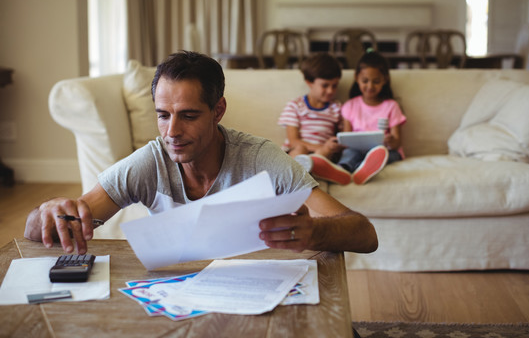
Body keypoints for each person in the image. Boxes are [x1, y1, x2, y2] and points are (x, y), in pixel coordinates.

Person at [24, 50, 378, 256]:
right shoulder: (150, 161)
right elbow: (49, 229)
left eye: (189, 116)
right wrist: (48, 211)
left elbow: (364, 233)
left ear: (218, 111)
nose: (172, 132)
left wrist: (314, 233)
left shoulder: (261, 159)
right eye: (163, 116)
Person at [277, 52, 350, 185]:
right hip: (298, 151)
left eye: (334, 86)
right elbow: (293, 141)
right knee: (300, 150)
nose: (330, 91)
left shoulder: (337, 107)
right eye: (325, 85)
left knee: (326, 151)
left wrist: (332, 146)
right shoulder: (295, 105)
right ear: (309, 82)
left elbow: (343, 138)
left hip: (323, 154)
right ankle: (307, 172)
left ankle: (312, 172)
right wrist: (318, 147)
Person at [336, 49, 407, 184]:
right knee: (350, 153)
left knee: (386, 154)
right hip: (357, 150)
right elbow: (346, 138)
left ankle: (361, 169)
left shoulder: (391, 106)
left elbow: (397, 143)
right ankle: (342, 169)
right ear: (357, 78)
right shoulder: (350, 106)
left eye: (376, 81)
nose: (370, 86)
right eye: (365, 81)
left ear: (384, 80)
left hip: (384, 150)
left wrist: (390, 140)